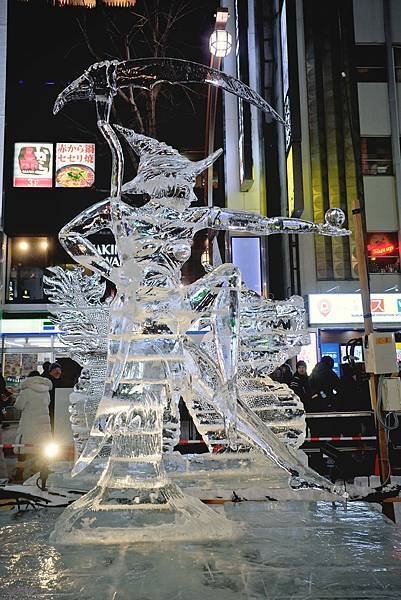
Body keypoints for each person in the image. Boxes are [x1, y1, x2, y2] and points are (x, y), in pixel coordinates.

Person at [13, 370, 52, 482]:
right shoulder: (46, 391)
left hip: (29, 425)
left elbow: (19, 406)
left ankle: (19, 475)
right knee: (41, 450)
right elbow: (47, 403)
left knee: (23, 450)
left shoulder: (26, 391)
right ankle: (40, 474)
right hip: (43, 426)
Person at [43, 362, 62, 432]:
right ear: (50, 371)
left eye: (59, 370)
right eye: (56, 370)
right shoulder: (46, 381)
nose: (58, 372)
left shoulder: (61, 380)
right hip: (49, 406)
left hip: (57, 406)